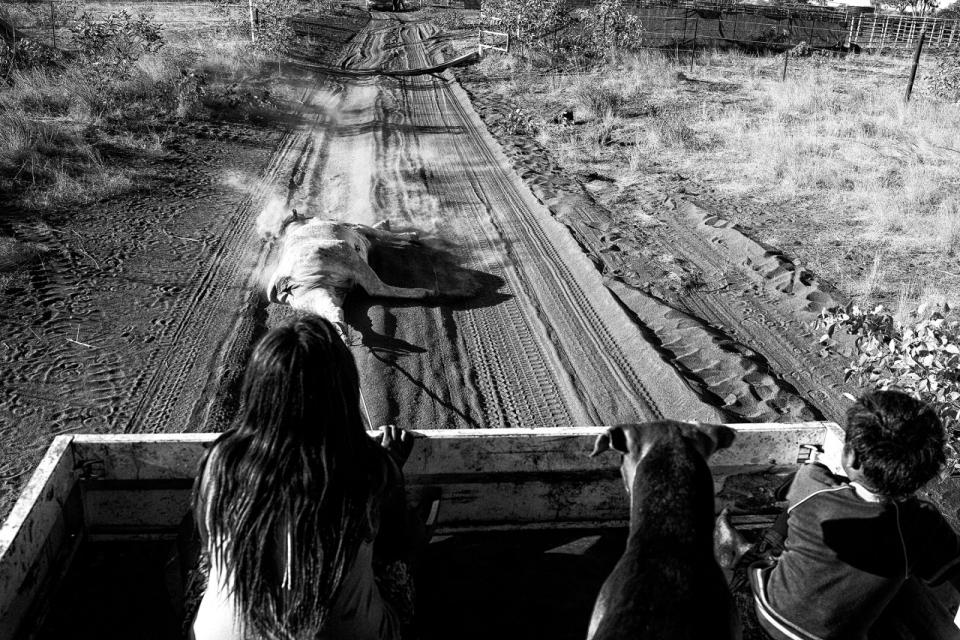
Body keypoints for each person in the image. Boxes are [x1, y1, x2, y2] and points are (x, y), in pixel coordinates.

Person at [191, 316, 421, 640]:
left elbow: (206, 535)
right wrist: (392, 467)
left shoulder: (221, 460)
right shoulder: (370, 467)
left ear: (258, 391)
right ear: (342, 389)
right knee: (398, 565)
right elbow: (397, 543)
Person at [747, 390, 960, 640]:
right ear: (922, 477)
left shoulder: (813, 484)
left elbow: (799, 484)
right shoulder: (923, 524)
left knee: (788, 521)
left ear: (850, 457)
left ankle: (771, 538)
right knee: (905, 577)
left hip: (768, 612)